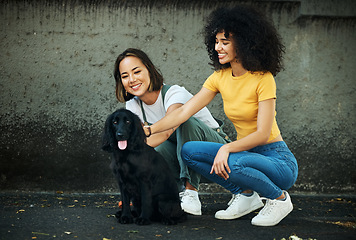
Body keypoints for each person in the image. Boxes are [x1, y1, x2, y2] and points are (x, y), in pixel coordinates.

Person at [143, 5, 298, 227]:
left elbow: (263, 134)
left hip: (277, 160)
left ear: (244, 43)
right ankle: (245, 195)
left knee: (232, 161)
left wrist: (226, 148)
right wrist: (148, 130)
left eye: (225, 42)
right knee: (189, 152)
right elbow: (184, 112)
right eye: (216, 41)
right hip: (244, 156)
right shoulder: (219, 78)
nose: (218, 47)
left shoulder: (263, 79)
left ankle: (279, 199)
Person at [113, 48, 230, 216]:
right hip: (183, 159)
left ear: (149, 69)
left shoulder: (175, 93)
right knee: (156, 150)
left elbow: (166, 132)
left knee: (183, 121)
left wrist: (131, 146)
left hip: (217, 154)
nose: (132, 79)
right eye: (125, 76)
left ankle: (191, 191)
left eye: (137, 71)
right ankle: (175, 192)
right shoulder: (133, 105)